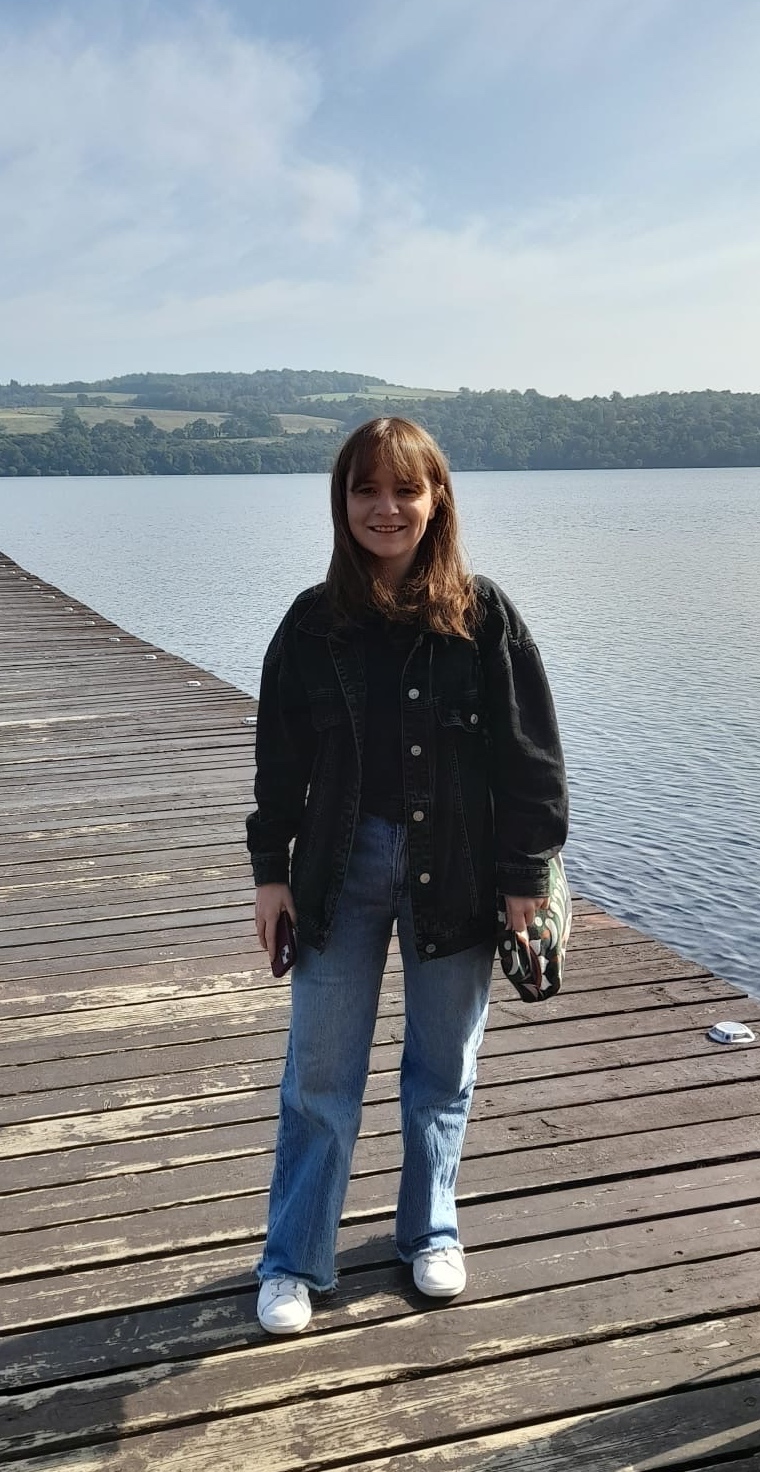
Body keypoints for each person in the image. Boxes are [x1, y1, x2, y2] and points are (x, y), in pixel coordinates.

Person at [246, 416, 568, 1335]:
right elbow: (279, 764)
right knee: (319, 1074)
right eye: (365, 490)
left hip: (460, 874)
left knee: (442, 1068)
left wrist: (527, 879)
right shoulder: (311, 624)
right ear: (342, 503)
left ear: (437, 500)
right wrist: (271, 876)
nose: (386, 509)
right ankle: (293, 1258)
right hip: (338, 872)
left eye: (405, 490)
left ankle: (429, 1230)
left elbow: (531, 760)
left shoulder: (484, 614)